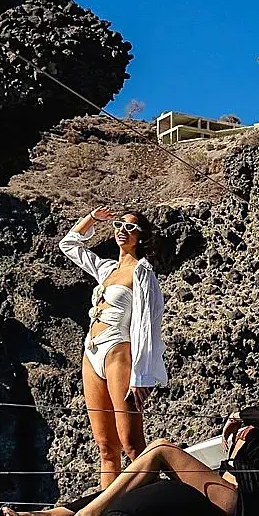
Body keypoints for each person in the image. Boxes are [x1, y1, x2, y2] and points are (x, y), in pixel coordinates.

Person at [0, 352, 259, 516]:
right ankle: (56, 514)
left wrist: (238, 416)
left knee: (161, 448)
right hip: (223, 487)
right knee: (135, 480)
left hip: (238, 499)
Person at [60, 206, 166, 486]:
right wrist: (92, 219)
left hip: (119, 350)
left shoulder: (143, 273)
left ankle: (151, 501)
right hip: (91, 350)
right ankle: (108, 512)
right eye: (119, 225)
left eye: (130, 227)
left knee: (130, 441)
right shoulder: (107, 269)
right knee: (105, 445)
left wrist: (142, 377)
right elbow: (68, 244)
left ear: (140, 237)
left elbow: (146, 324)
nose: (122, 230)